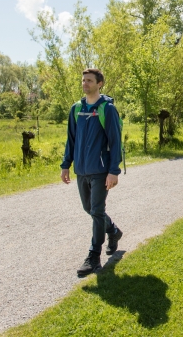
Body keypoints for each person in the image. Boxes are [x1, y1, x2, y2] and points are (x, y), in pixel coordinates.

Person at [61, 68, 123, 277]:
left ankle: (94, 256)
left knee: (96, 210)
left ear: (100, 84)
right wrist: (65, 164)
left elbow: (115, 142)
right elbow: (71, 139)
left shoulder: (107, 109)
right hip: (81, 169)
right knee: (89, 208)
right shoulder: (76, 109)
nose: (85, 83)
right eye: (83, 80)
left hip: (100, 170)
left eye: (89, 80)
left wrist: (113, 171)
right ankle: (113, 231)